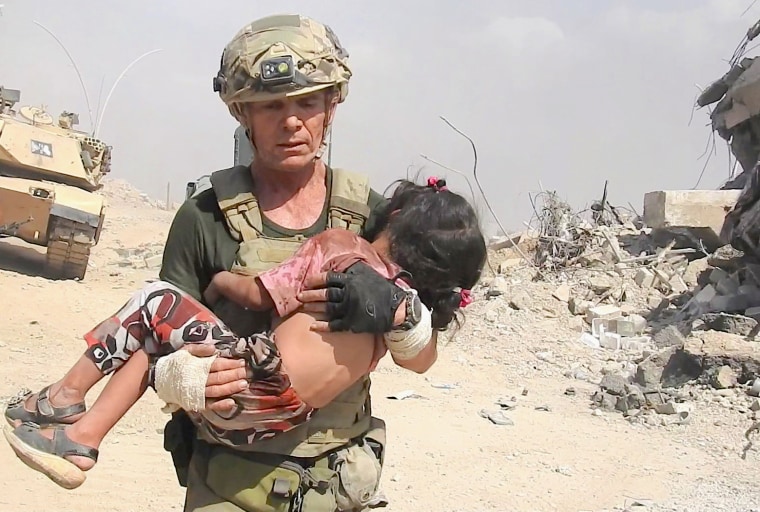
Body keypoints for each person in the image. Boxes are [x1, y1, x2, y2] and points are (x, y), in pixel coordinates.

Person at [2, 178, 486, 495]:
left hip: (248, 384)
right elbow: (415, 353)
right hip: (275, 421)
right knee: (153, 354)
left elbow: (260, 295)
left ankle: (62, 401)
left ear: (397, 217)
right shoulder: (399, 309)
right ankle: (81, 440)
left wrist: (217, 282)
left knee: (155, 301)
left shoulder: (343, 247)